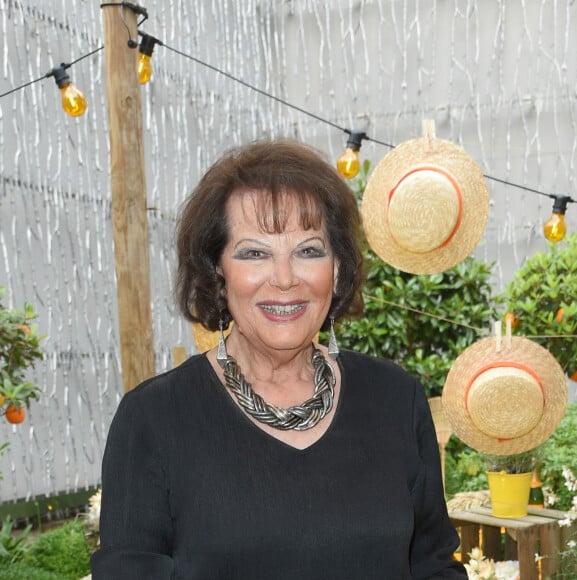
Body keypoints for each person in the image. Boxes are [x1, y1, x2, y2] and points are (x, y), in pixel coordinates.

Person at [91, 139, 466, 579]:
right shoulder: (153, 419)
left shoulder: (396, 399)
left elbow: (434, 566)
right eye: (254, 253)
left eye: (308, 251)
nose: (285, 279)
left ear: (338, 269)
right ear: (217, 271)